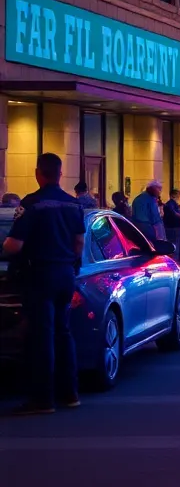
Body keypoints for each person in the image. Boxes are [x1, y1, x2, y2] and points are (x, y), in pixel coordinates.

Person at [2, 153, 86, 415]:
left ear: (38, 173)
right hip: (65, 274)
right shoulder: (74, 205)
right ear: (60, 174)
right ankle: (70, 394)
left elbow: (14, 245)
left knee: (42, 337)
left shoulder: (32, 204)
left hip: (39, 276)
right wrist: (70, 262)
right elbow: (80, 242)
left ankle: (43, 399)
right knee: (63, 333)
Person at [163, 188, 180, 257]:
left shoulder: (175, 204)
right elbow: (174, 214)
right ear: (174, 195)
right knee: (174, 247)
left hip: (176, 227)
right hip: (173, 228)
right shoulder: (170, 204)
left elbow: (179, 213)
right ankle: (175, 263)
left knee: (177, 246)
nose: (179, 196)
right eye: (178, 194)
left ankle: (177, 262)